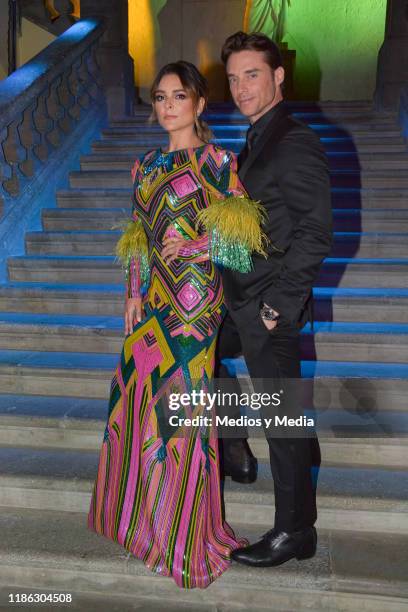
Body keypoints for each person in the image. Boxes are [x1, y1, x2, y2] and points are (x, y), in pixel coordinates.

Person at [87, 60, 267, 588]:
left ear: (199, 104)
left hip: (194, 304)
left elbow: (242, 241)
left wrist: (194, 244)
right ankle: (141, 521)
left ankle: (185, 533)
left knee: (181, 412)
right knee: (135, 400)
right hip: (151, 305)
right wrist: (131, 289)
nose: (167, 107)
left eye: (178, 97)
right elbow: (139, 234)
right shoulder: (142, 166)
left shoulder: (216, 161)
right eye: (160, 98)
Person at [216, 31, 332, 567]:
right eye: (234, 77)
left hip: (269, 307)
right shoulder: (258, 135)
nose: (241, 87)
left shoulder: (292, 139)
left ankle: (294, 532)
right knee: (203, 348)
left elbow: (316, 230)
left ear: (278, 76)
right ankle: (236, 445)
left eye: (253, 75)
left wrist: (276, 306)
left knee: (281, 421)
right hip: (242, 297)